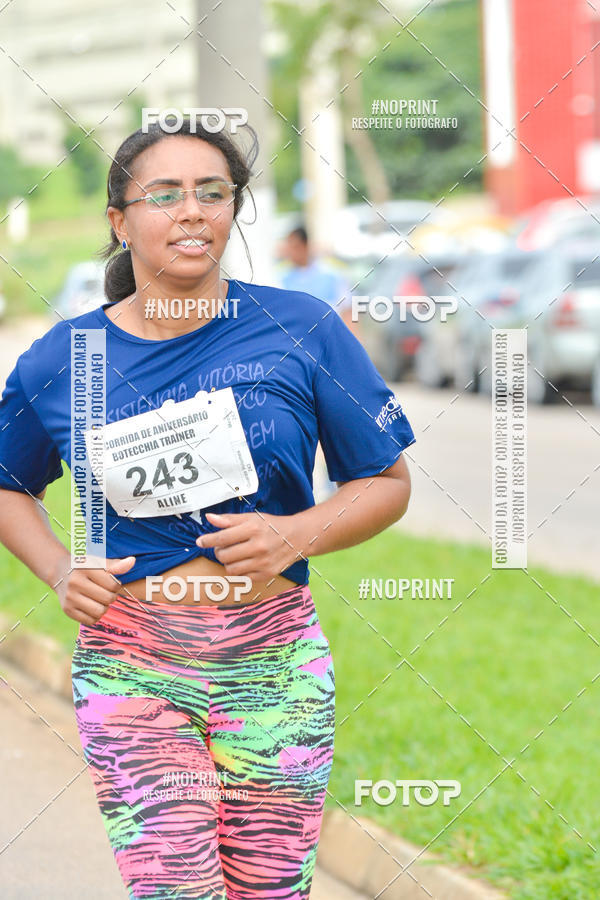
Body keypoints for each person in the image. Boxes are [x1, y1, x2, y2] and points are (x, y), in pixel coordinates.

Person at [0, 118, 416, 900]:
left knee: (269, 891)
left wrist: (298, 531)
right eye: (165, 195)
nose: (192, 211)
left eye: (212, 193)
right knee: (174, 889)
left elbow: (386, 482)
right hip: (134, 661)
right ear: (120, 222)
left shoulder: (303, 330)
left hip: (275, 662)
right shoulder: (63, 357)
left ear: (232, 210)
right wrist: (58, 569)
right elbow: (6, 482)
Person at [279, 225, 356, 330]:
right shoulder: (282, 279)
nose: (291, 253)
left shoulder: (332, 275)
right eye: (289, 248)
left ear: (305, 246)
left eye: (295, 247)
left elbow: (348, 312)